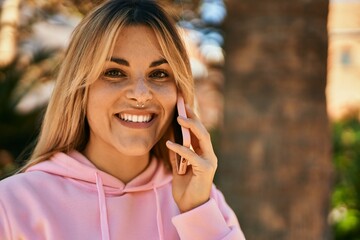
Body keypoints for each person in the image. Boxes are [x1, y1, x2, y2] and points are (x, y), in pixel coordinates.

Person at [0, 0, 246, 239]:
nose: (140, 94)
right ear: (80, 90)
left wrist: (197, 213)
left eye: (159, 74)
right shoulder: (12, 205)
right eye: (114, 73)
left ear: (179, 94)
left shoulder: (205, 201)